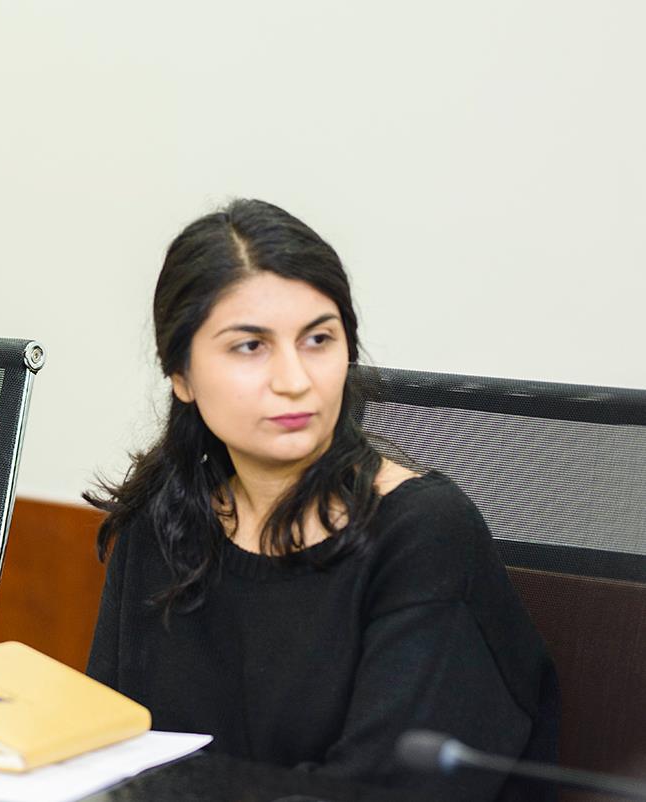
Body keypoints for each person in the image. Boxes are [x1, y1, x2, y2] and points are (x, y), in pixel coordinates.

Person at [85, 199, 558, 801]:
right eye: (250, 346)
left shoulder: (424, 533)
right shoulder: (162, 522)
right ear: (181, 375)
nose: (294, 380)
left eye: (318, 339)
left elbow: (385, 794)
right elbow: (106, 755)